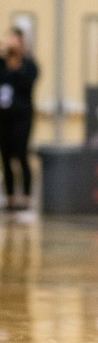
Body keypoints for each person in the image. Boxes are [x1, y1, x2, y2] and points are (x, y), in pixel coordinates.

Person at [0, 29, 39, 211]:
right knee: (6, 156)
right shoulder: (2, 64)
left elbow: (27, 83)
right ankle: (9, 196)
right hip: (3, 116)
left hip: (22, 117)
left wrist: (16, 66)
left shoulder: (29, 65)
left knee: (21, 155)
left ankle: (26, 196)